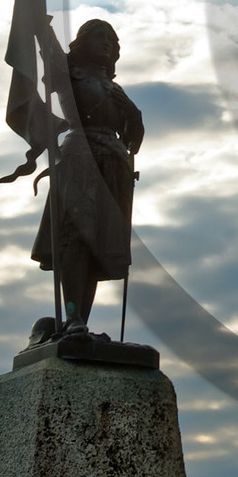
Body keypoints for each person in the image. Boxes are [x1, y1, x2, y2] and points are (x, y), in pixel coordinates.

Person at [31, 19, 144, 330]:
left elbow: (133, 140)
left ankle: (81, 322)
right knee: (76, 239)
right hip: (81, 157)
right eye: (98, 36)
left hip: (114, 164)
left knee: (97, 247)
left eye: (111, 38)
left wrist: (135, 115)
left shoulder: (115, 88)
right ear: (82, 42)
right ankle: (73, 317)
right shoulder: (68, 74)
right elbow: (48, 47)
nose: (106, 42)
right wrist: (42, 18)